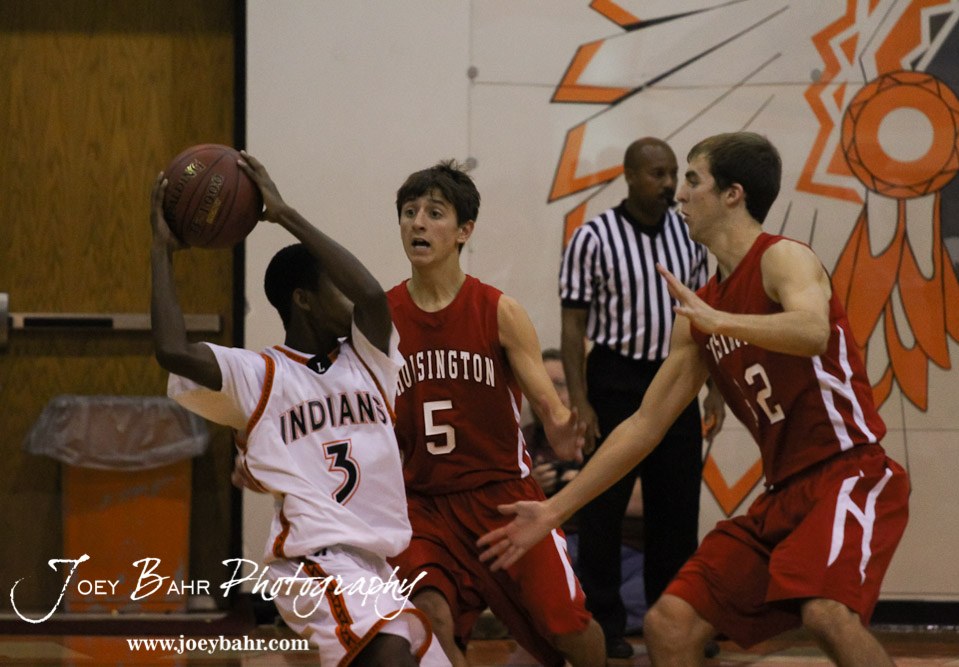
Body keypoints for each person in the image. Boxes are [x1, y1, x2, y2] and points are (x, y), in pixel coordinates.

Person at [480, 132, 910, 667]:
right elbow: (643, 426)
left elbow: (812, 331)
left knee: (826, 613)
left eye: (692, 179)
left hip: (849, 472)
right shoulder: (701, 311)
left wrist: (721, 321)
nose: (679, 194)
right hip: (782, 494)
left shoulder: (783, 258)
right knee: (670, 623)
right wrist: (553, 510)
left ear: (732, 194)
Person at [149, 153, 448, 666]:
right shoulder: (260, 374)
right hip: (314, 561)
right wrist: (161, 250)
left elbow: (370, 296)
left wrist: (284, 213)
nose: (350, 301)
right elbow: (173, 350)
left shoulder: (369, 359)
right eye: (335, 291)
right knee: (391, 653)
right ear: (304, 300)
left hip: (375, 566)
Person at [386, 160, 606, 667]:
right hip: (423, 504)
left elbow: (546, 401)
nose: (418, 223)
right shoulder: (382, 317)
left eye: (434, 213)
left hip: (503, 499)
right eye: (409, 212)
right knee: (429, 619)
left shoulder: (498, 310)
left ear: (464, 230)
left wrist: (559, 423)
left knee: (568, 628)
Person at [559, 136, 725, 658]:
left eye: (674, 173)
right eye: (658, 174)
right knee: (602, 509)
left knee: (676, 512)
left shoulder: (690, 236)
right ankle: (604, 625)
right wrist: (580, 402)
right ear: (629, 176)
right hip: (614, 379)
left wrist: (715, 390)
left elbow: (706, 316)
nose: (670, 184)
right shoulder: (593, 237)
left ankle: (674, 625)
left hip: (675, 376)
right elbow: (572, 326)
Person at [524, 349, 647, 637]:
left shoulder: (613, 433)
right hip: (558, 546)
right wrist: (531, 486)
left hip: (625, 551)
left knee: (657, 595)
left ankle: (569, 620)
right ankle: (577, 619)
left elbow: (646, 499)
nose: (548, 394)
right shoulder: (522, 439)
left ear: (580, 389)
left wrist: (574, 483)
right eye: (540, 384)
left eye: (558, 385)